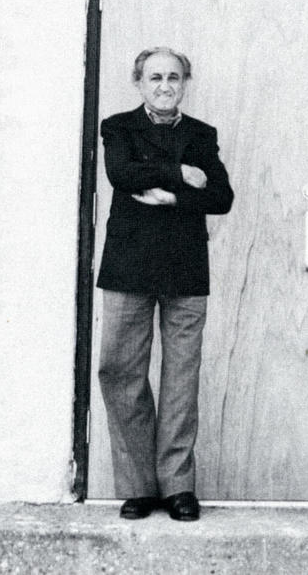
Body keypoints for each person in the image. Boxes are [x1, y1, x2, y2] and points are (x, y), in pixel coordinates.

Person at [97, 46, 234, 522]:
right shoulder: (118, 128)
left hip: (184, 268)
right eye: (154, 77)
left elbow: (220, 197)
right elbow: (121, 172)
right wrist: (181, 174)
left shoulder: (201, 135)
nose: (164, 85)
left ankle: (178, 487)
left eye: (173, 77)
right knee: (119, 370)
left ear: (184, 83)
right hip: (127, 267)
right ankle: (138, 487)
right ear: (139, 82)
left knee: (180, 378)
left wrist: (169, 198)